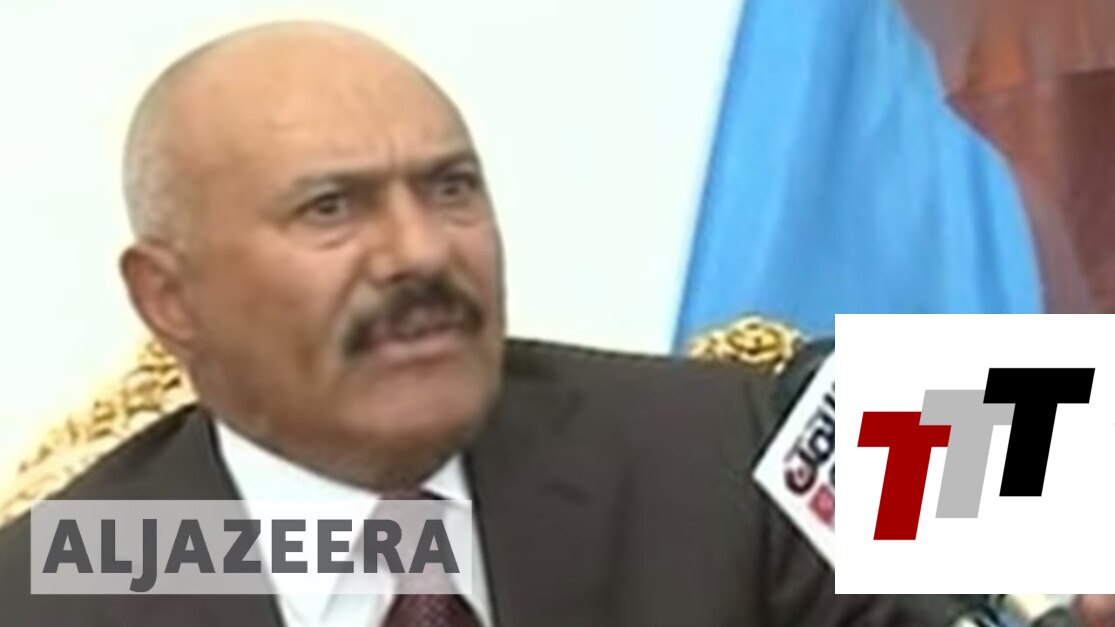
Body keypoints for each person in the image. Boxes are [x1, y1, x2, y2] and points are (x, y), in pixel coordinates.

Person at [0, 20, 935, 626]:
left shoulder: (729, 439)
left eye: (450, 189)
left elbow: (1029, 453)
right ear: (169, 298)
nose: (417, 251)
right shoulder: (61, 580)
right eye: (330, 208)